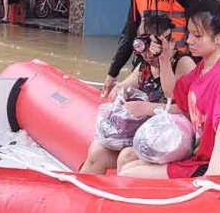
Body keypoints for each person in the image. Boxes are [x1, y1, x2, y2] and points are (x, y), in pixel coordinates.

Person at [117, 0, 220, 179]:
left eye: (197, 36)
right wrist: (164, 58)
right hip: (198, 153)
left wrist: (215, 168)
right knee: (127, 161)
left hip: (213, 161)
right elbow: (173, 94)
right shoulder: (203, 67)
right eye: (189, 33)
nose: (189, 40)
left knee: (130, 173)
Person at [80, 23, 196, 174]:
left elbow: (189, 110)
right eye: (142, 47)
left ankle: (120, 194)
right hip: (145, 134)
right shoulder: (145, 67)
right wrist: (119, 91)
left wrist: (148, 108)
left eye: (152, 48)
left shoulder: (183, 64)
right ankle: (82, 193)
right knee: (97, 152)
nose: (147, 55)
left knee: (126, 156)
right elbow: (124, 85)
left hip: (170, 139)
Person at [102, 0, 200, 98]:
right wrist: (112, 73)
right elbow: (129, 33)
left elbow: (200, 31)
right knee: (121, 95)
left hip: (178, 63)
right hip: (149, 62)